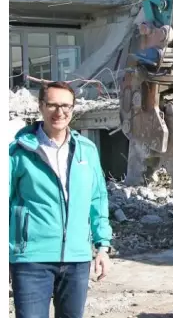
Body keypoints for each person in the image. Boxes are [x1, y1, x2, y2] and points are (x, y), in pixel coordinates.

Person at [9, 81, 112, 318]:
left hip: (77, 260)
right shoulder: (18, 152)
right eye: (53, 105)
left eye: (66, 106)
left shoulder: (86, 150)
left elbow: (97, 200)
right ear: (41, 107)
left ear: (73, 108)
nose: (60, 112)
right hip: (31, 260)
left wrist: (102, 247)